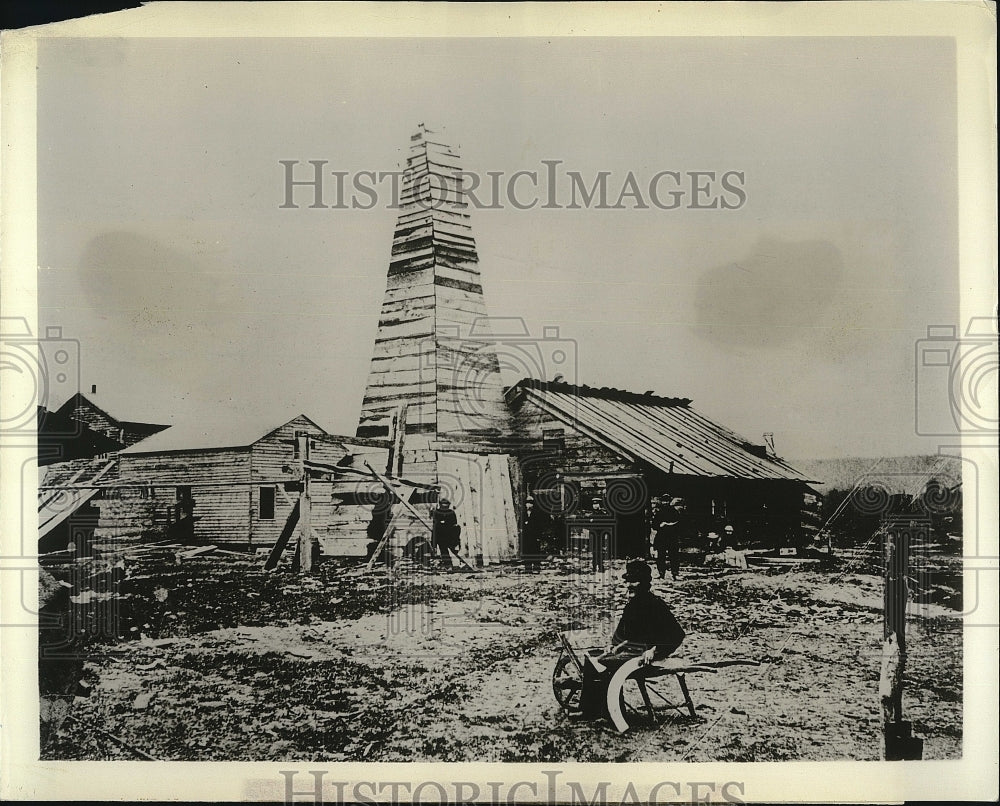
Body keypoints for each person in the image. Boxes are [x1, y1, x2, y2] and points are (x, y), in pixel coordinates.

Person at [578, 559, 686, 718]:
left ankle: (611, 713)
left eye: (634, 581)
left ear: (643, 583)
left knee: (602, 663)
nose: (629, 585)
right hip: (632, 653)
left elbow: (677, 634)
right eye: (628, 581)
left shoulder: (655, 604)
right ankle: (590, 710)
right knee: (592, 658)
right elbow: (623, 632)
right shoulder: (632, 605)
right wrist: (612, 645)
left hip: (645, 658)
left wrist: (655, 649)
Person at [653, 497, 687, 580]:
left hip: (672, 537)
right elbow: (654, 525)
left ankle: (675, 574)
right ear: (662, 502)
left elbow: (680, 524)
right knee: (661, 556)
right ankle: (661, 574)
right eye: (664, 501)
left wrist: (670, 526)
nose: (665, 502)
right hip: (661, 537)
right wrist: (660, 525)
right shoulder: (659, 513)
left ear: (670, 502)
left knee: (674, 556)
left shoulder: (675, 512)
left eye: (667, 501)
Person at [431, 498, 461, 566]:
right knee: (443, 550)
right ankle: (448, 564)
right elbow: (435, 524)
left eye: (446, 506)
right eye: (443, 505)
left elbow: (454, 523)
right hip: (440, 535)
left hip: (450, 535)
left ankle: (459, 563)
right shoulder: (437, 512)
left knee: (454, 551)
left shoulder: (451, 512)